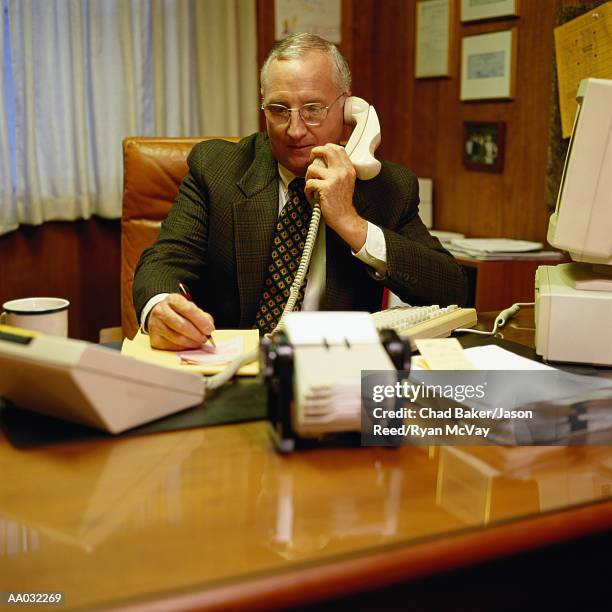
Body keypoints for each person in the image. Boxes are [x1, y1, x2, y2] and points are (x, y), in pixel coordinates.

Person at [133, 33, 468, 350]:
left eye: (313, 109)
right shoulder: (218, 168)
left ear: (349, 110)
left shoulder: (387, 187)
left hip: (334, 373)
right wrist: (160, 306)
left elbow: (452, 288)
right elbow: (164, 260)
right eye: (279, 110)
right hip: (233, 367)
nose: (294, 131)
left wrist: (352, 223)